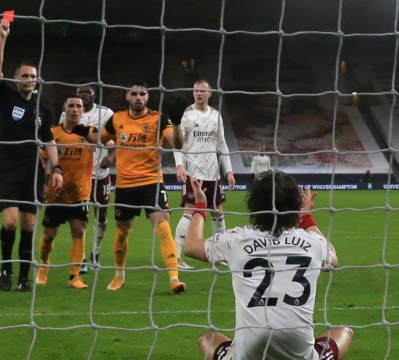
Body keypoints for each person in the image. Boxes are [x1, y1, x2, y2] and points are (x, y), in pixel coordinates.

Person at [184, 171, 353, 360]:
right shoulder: (313, 243)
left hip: (249, 353)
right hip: (300, 352)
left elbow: (190, 246)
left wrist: (200, 206)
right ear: (295, 206)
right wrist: (306, 218)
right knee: (344, 332)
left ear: (253, 205)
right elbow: (334, 259)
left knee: (208, 339)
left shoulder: (237, 240)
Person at [0, 18, 63, 292]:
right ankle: (5, 267)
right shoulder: (6, 97)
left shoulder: (42, 110)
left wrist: (56, 169)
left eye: (32, 77)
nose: (29, 80)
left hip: (33, 171)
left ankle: (23, 276)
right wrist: (2, 38)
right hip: (9, 169)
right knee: (9, 222)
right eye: (24, 76)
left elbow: (49, 140)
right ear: (16, 79)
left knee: (30, 223)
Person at [100, 82, 187, 294]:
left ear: (147, 97)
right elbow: (103, 138)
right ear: (127, 97)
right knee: (122, 231)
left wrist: (176, 123)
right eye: (134, 94)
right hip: (125, 184)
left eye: (142, 94)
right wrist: (111, 153)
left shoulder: (158, 119)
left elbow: (177, 144)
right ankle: (119, 275)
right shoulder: (117, 118)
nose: (138, 97)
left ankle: (174, 279)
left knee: (163, 224)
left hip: (151, 182)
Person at [36, 96, 99, 289]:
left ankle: (74, 277)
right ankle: (43, 267)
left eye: (78, 106)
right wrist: (44, 183)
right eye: (71, 105)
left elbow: (104, 142)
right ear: (64, 108)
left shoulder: (89, 132)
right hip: (56, 193)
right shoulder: (52, 132)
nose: (74, 109)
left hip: (80, 193)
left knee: (78, 231)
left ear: (83, 110)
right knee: (48, 235)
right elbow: (44, 159)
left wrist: (91, 139)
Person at [173, 79, 236, 269]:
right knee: (190, 212)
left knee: (218, 213)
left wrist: (229, 170)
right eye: (195, 91)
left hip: (214, 174)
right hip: (193, 172)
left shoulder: (216, 115)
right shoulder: (186, 115)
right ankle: (175, 257)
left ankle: (219, 255)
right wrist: (179, 166)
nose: (198, 94)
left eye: (202, 91)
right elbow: (179, 144)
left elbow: (222, 144)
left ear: (210, 94)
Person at [59, 85, 114, 273]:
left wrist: (112, 156)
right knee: (79, 219)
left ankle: (95, 254)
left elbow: (115, 138)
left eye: (87, 93)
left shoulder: (106, 113)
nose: (83, 96)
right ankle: (81, 258)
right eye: (80, 93)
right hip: (78, 175)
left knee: (102, 214)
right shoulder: (69, 113)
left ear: (94, 95)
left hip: (100, 174)